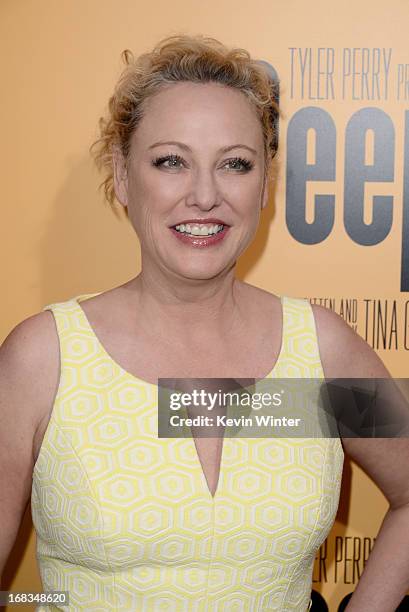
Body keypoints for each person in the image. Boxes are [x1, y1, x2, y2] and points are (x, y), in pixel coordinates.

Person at [1, 33, 409, 612]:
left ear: (265, 183)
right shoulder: (41, 358)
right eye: (171, 161)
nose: (204, 195)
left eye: (235, 165)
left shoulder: (323, 350)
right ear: (121, 175)